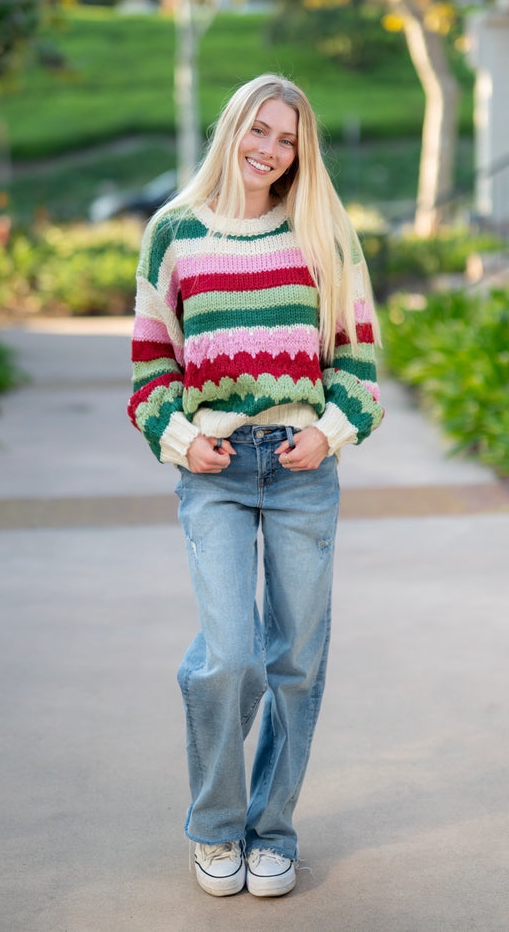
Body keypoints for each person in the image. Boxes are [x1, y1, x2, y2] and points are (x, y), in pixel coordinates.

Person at [128, 73, 383, 898]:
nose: (270, 151)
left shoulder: (323, 232)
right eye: (260, 130)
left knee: (297, 662)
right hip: (217, 472)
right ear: (233, 126)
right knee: (227, 656)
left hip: (304, 466)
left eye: (289, 140)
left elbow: (359, 360)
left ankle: (271, 830)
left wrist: (329, 430)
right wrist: (178, 438)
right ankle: (214, 825)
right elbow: (149, 369)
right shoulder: (173, 232)